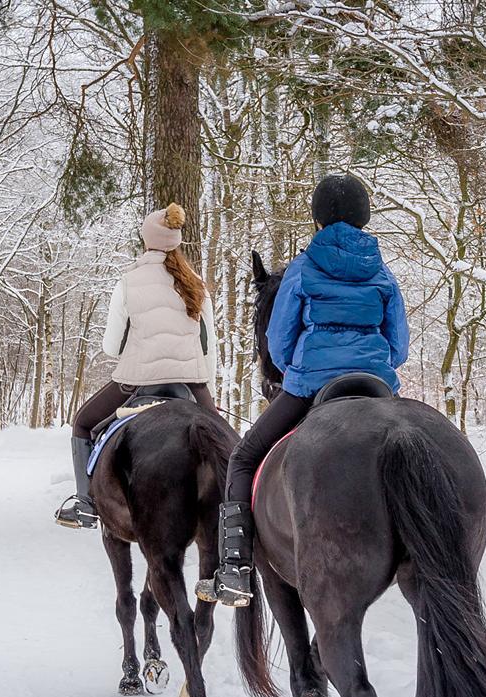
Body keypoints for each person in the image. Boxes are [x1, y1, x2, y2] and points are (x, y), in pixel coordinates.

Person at [199, 174, 409, 606]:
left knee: (242, 460)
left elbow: (277, 342)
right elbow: (400, 344)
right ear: (365, 217)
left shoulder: (303, 267)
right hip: (375, 384)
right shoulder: (383, 272)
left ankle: (235, 568)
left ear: (317, 218)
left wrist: (299, 369)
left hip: (311, 385)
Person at [55, 203, 220, 530]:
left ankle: (86, 504)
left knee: (83, 424)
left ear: (146, 241)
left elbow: (111, 347)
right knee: (226, 445)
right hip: (192, 384)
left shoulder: (128, 282)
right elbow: (208, 347)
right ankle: (235, 513)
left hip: (137, 382)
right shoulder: (197, 285)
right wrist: (207, 397)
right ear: (177, 241)